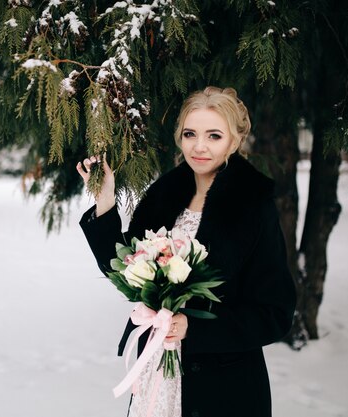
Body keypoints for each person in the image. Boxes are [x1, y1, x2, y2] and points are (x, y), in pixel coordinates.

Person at [76, 86, 296, 417]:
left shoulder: (252, 206)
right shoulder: (164, 196)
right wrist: (105, 201)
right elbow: (126, 268)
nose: (200, 146)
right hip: (158, 375)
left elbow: (275, 314)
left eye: (214, 136)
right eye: (190, 133)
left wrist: (195, 327)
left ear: (234, 142)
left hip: (223, 388)